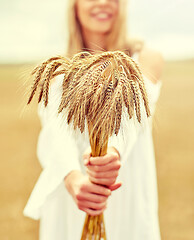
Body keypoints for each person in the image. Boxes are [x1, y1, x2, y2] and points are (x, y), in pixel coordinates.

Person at [23, 0, 164, 239]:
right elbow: (54, 133)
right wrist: (72, 177)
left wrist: (112, 152)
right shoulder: (57, 69)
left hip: (126, 191)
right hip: (73, 198)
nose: (102, 3)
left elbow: (134, 116)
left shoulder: (146, 58)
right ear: (75, 6)